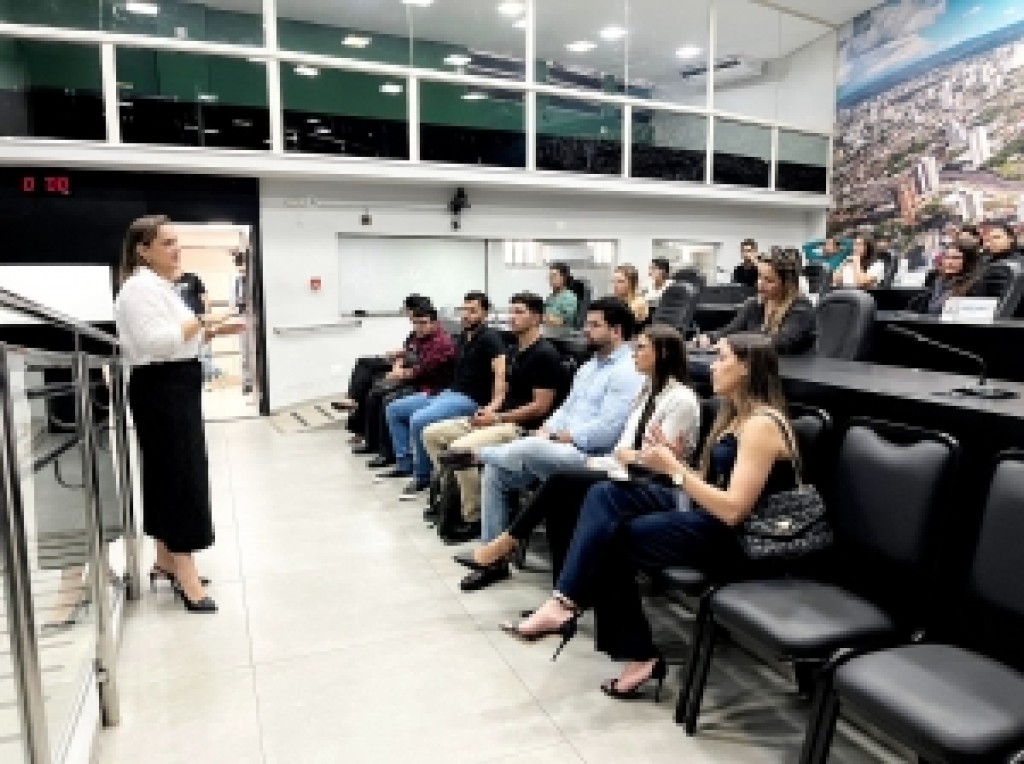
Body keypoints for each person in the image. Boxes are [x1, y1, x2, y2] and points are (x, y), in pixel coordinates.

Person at [504, 333, 800, 700]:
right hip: (710, 517)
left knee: (612, 538)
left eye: (721, 358)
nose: (712, 366)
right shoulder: (734, 417)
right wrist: (673, 461)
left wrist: (674, 469)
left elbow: (734, 510)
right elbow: (708, 484)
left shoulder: (761, 425)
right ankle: (567, 605)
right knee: (604, 494)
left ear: (746, 367)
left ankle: (614, 638)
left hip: (740, 538)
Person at [455, 324, 700, 591]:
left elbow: (658, 463)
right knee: (537, 482)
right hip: (618, 467)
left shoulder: (681, 400)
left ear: (663, 354)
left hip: (654, 482)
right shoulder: (646, 391)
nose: (634, 353)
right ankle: (550, 587)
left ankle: (481, 465)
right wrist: (556, 434)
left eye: (641, 348)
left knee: (559, 481)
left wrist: (623, 456)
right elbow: (626, 449)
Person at [437, 297, 644, 591]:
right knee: (498, 472)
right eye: (587, 324)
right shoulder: (589, 367)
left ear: (617, 331)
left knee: (527, 447)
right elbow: (565, 409)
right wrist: (547, 429)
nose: (586, 330)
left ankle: (479, 455)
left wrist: (557, 437)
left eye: (594, 325)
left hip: (590, 459)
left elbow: (607, 431)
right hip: (559, 448)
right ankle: (493, 561)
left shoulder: (627, 371)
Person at [114, 216, 245, 613]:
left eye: (176, 241)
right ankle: (187, 575)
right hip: (162, 389)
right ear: (143, 250)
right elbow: (157, 343)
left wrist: (210, 331)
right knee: (179, 477)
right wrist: (204, 320)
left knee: (167, 474)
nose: (176, 249)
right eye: (167, 242)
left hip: (172, 386)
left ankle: (166, 560)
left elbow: (175, 340)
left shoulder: (158, 287)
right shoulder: (140, 289)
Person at [422, 292, 563, 539]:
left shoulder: (545, 355)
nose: (512, 317)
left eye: (519, 312)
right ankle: (454, 500)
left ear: (536, 318)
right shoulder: (514, 350)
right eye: (511, 311)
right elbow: (504, 393)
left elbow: (540, 407)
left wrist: (498, 418)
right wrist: (490, 409)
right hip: (499, 418)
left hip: (519, 427)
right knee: (432, 434)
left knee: (459, 450)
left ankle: (474, 516)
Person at [382, 292, 506, 498]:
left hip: (470, 399)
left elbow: (501, 374)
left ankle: (422, 477)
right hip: (450, 392)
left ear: (485, 313)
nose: (466, 315)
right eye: (464, 310)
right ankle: (405, 465)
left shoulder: (490, 338)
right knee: (394, 409)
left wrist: (494, 406)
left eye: (473, 311)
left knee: (418, 420)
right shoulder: (465, 336)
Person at [363, 304, 455, 467]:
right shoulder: (419, 337)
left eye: (423, 323)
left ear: (435, 323)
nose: (418, 327)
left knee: (388, 400)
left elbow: (423, 370)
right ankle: (375, 444)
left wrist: (400, 374)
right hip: (416, 380)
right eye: (416, 323)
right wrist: (398, 368)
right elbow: (406, 353)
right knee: (376, 391)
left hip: (432, 387)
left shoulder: (441, 343)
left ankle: (391, 454)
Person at [341, 293, 432, 445]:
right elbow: (408, 350)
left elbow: (420, 359)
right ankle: (354, 402)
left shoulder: (431, 333)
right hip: (402, 363)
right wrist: (397, 358)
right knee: (364, 364)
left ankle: (358, 415)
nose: (407, 314)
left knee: (373, 382)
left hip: (409, 368)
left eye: (407, 310)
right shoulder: (415, 332)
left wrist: (399, 368)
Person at [698, 249, 816, 355]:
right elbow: (730, 330)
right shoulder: (754, 304)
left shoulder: (801, 307)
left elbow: (780, 341)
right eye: (759, 277)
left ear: (786, 284)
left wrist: (731, 341)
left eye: (769, 280)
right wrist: (710, 337)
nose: (760, 284)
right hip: (758, 366)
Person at [908, 241, 983, 315]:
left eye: (956, 258)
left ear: (967, 261)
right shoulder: (937, 280)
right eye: (947, 257)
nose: (950, 262)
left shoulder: (973, 286)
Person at [230, 251, 254, 394]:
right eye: (239, 265)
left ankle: (256, 380)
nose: (241, 268)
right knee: (245, 352)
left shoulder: (254, 280)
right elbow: (233, 303)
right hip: (242, 317)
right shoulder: (237, 281)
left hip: (254, 319)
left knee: (255, 350)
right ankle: (247, 382)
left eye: (243, 265)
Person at [544, 262, 579, 327]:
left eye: (554, 275)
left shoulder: (569, 297)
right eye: (550, 276)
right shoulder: (550, 297)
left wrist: (546, 318)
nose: (550, 278)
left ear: (563, 278)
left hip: (562, 331)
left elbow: (564, 322)